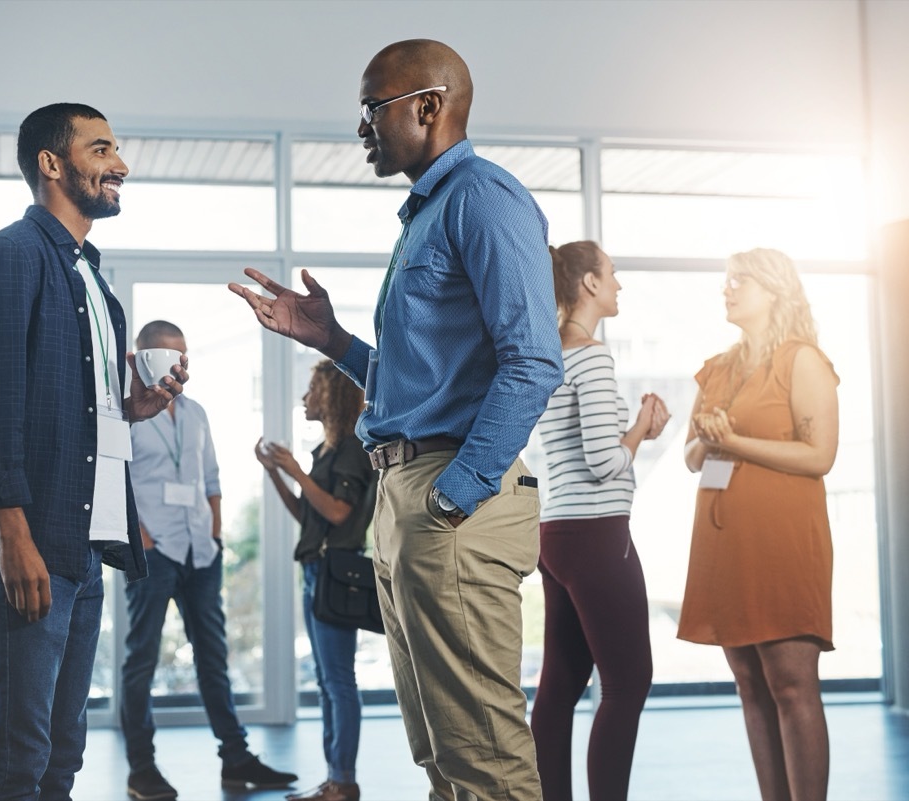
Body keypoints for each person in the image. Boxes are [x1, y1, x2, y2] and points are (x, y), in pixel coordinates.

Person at [230, 39, 563, 801]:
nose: (361, 129)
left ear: (429, 106)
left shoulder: (483, 197)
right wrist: (331, 340)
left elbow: (535, 359)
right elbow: (416, 386)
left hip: (448, 499)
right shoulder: (428, 214)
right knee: (442, 753)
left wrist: (456, 493)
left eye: (372, 109)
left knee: (483, 757)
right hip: (407, 496)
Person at [0, 103, 188, 801]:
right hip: (29, 543)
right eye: (102, 148)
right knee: (16, 762)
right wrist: (13, 537)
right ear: (53, 164)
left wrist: (131, 408)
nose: (121, 164)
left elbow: (76, 414)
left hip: (81, 547)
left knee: (58, 760)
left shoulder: (94, 281)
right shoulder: (10, 258)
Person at [679, 248, 838, 801]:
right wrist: (708, 436)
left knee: (792, 689)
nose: (728, 289)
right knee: (750, 687)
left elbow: (820, 456)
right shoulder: (718, 367)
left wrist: (733, 439)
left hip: (783, 545)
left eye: (739, 281)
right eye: (726, 280)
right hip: (725, 547)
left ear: (773, 290)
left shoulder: (803, 361)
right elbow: (692, 457)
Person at [120, 320, 297, 801]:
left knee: (214, 659)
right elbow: (116, 479)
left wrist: (215, 534)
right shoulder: (126, 412)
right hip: (153, 551)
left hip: (201, 550)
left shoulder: (196, 413)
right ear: (139, 359)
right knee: (141, 660)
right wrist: (143, 538)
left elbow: (212, 479)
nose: (175, 364)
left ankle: (236, 760)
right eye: (164, 355)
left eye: (181, 355)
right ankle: (142, 769)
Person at [529, 241, 670, 801]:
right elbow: (605, 460)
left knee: (560, 684)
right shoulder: (590, 355)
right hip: (596, 532)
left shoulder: (548, 353)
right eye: (612, 274)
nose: (619, 284)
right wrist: (641, 426)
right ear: (588, 283)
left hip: (556, 532)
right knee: (628, 683)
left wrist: (635, 432)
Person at [255, 360, 377, 801]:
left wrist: (295, 471)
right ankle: (334, 778)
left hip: (336, 572)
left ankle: (343, 781)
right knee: (329, 682)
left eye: (312, 389)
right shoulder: (324, 452)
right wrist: (276, 472)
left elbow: (340, 513)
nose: (306, 397)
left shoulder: (351, 450)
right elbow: (308, 517)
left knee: (338, 681)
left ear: (333, 396)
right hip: (316, 568)